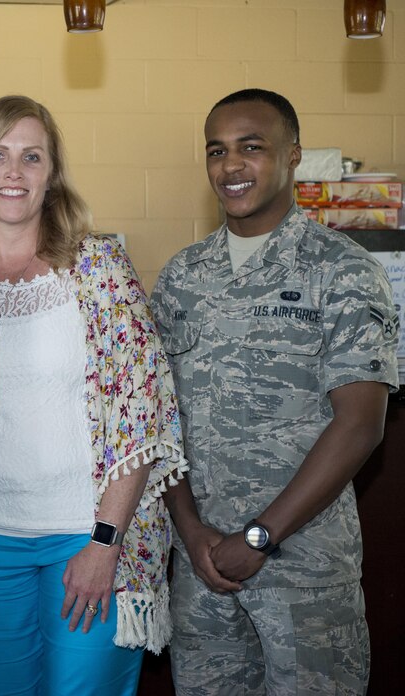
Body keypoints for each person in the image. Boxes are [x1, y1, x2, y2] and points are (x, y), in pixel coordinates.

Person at [0, 94, 187, 696]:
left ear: (52, 175)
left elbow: (142, 408)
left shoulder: (99, 267)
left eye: (31, 156)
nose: (13, 172)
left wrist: (105, 541)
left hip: (87, 532)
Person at [150, 88, 399, 695]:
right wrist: (192, 532)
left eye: (251, 147)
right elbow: (160, 417)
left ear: (293, 157)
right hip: (203, 572)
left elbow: (361, 423)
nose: (231, 165)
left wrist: (260, 536)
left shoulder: (339, 269)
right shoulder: (183, 276)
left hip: (305, 573)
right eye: (217, 150)